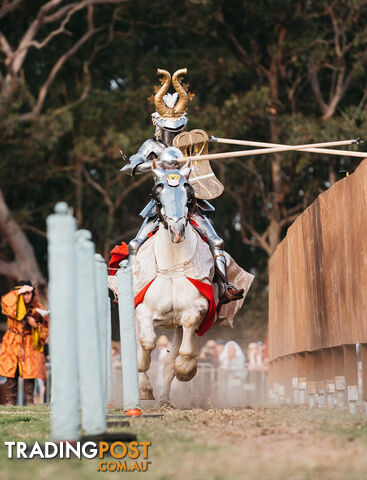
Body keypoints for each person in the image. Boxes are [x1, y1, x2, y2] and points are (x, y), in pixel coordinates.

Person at [120, 68, 244, 305]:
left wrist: (205, 143)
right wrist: (151, 163)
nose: (172, 134)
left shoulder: (191, 144)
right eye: (169, 130)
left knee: (216, 241)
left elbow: (202, 170)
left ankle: (224, 287)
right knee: (135, 244)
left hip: (190, 205)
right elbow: (129, 167)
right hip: (161, 208)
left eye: (177, 129)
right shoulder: (151, 146)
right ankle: (129, 292)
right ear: (159, 127)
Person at [0, 281, 49, 405]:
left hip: (29, 342)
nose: (27, 296)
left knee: (29, 373)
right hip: (12, 341)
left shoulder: (37, 306)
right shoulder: (12, 302)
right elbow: (6, 302)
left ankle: (29, 401)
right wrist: (18, 292)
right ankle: (10, 401)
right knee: (12, 372)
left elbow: (46, 324)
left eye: (29, 293)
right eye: (24, 293)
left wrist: (35, 325)